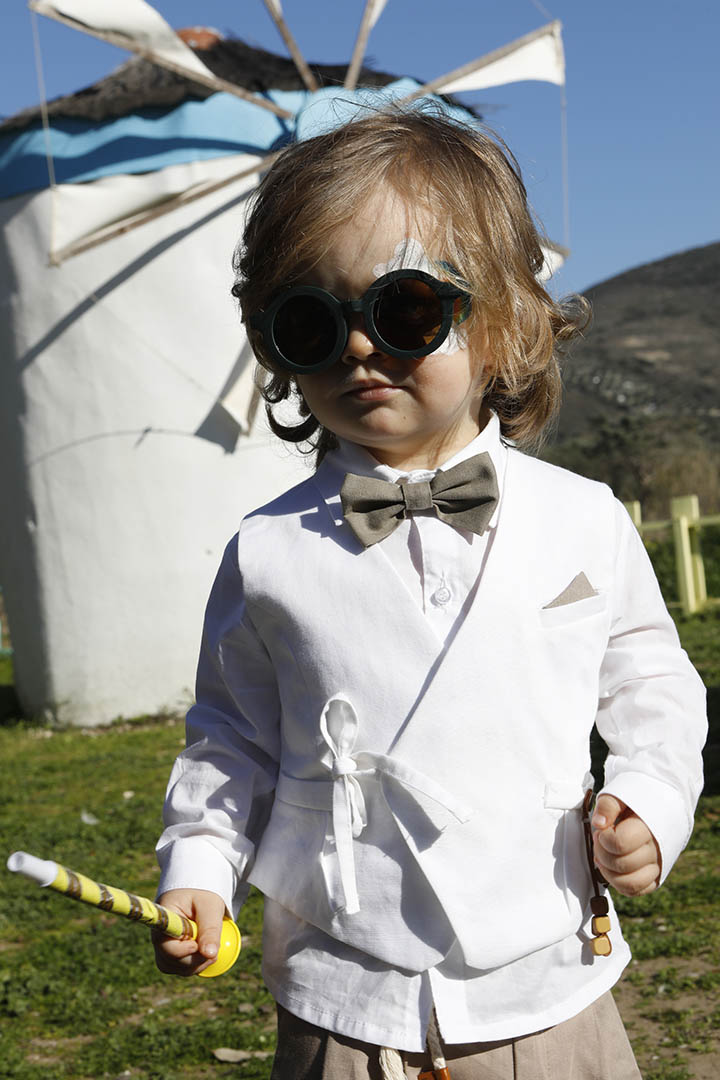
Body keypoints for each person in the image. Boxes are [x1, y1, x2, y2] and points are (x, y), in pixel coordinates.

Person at [152, 109, 707, 1080]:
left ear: (502, 324)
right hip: (344, 989)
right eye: (312, 323)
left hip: (546, 975)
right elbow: (230, 738)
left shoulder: (583, 519)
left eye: (405, 310)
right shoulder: (266, 552)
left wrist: (650, 803)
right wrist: (200, 866)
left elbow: (652, 685)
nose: (359, 348)